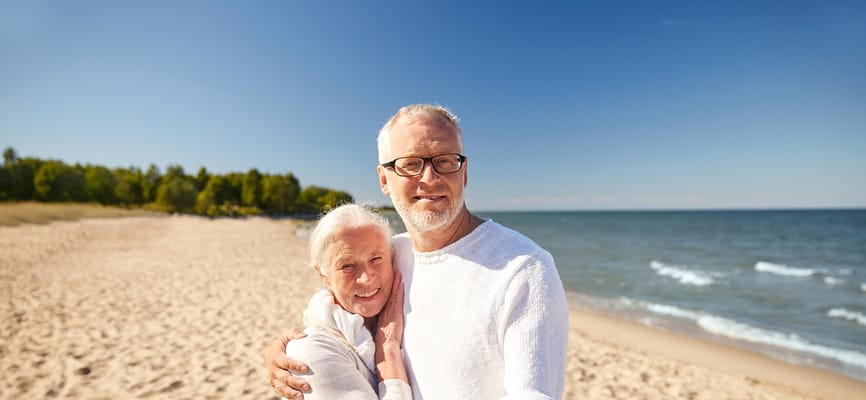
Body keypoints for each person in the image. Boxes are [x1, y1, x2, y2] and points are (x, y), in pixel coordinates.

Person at [268, 104, 568, 399]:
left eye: (446, 161)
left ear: (464, 173)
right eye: (410, 164)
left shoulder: (523, 269)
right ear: (384, 180)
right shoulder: (390, 254)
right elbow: (338, 308)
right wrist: (290, 347)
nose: (430, 178)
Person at [283, 203, 412, 399]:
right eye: (347, 266)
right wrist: (388, 349)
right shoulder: (310, 353)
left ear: (392, 259)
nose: (366, 279)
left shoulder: (406, 315)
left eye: (376, 259)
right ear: (323, 274)